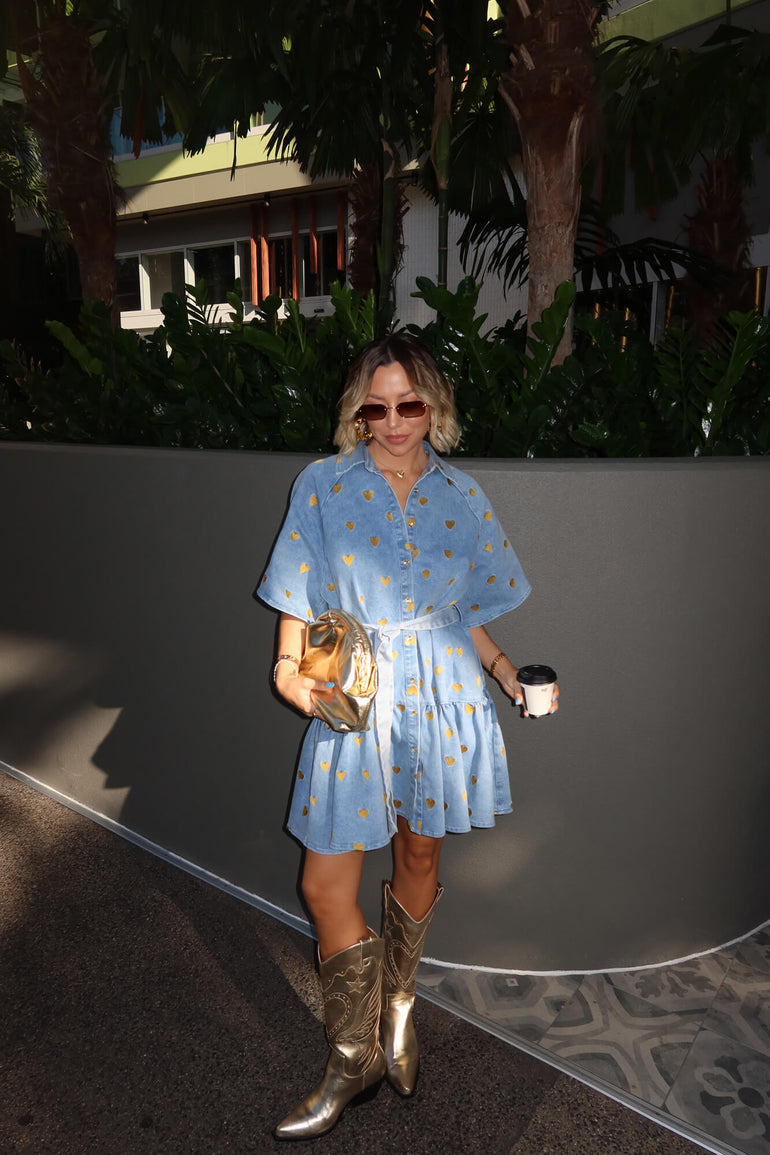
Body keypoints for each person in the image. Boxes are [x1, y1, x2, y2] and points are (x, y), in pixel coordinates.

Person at [257, 333, 559, 1141]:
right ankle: (351, 1053)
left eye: (411, 404)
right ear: (357, 411)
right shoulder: (320, 485)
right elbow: (293, 607)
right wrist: (292, 675)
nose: (394, 422)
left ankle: (397, 1007)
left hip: (443, 697)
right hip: (355, 699)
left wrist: (507, 677)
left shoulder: (462, 494)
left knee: (419, 855)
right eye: (377, 406)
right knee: (326, 885)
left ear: (435, 405)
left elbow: (470, 617)